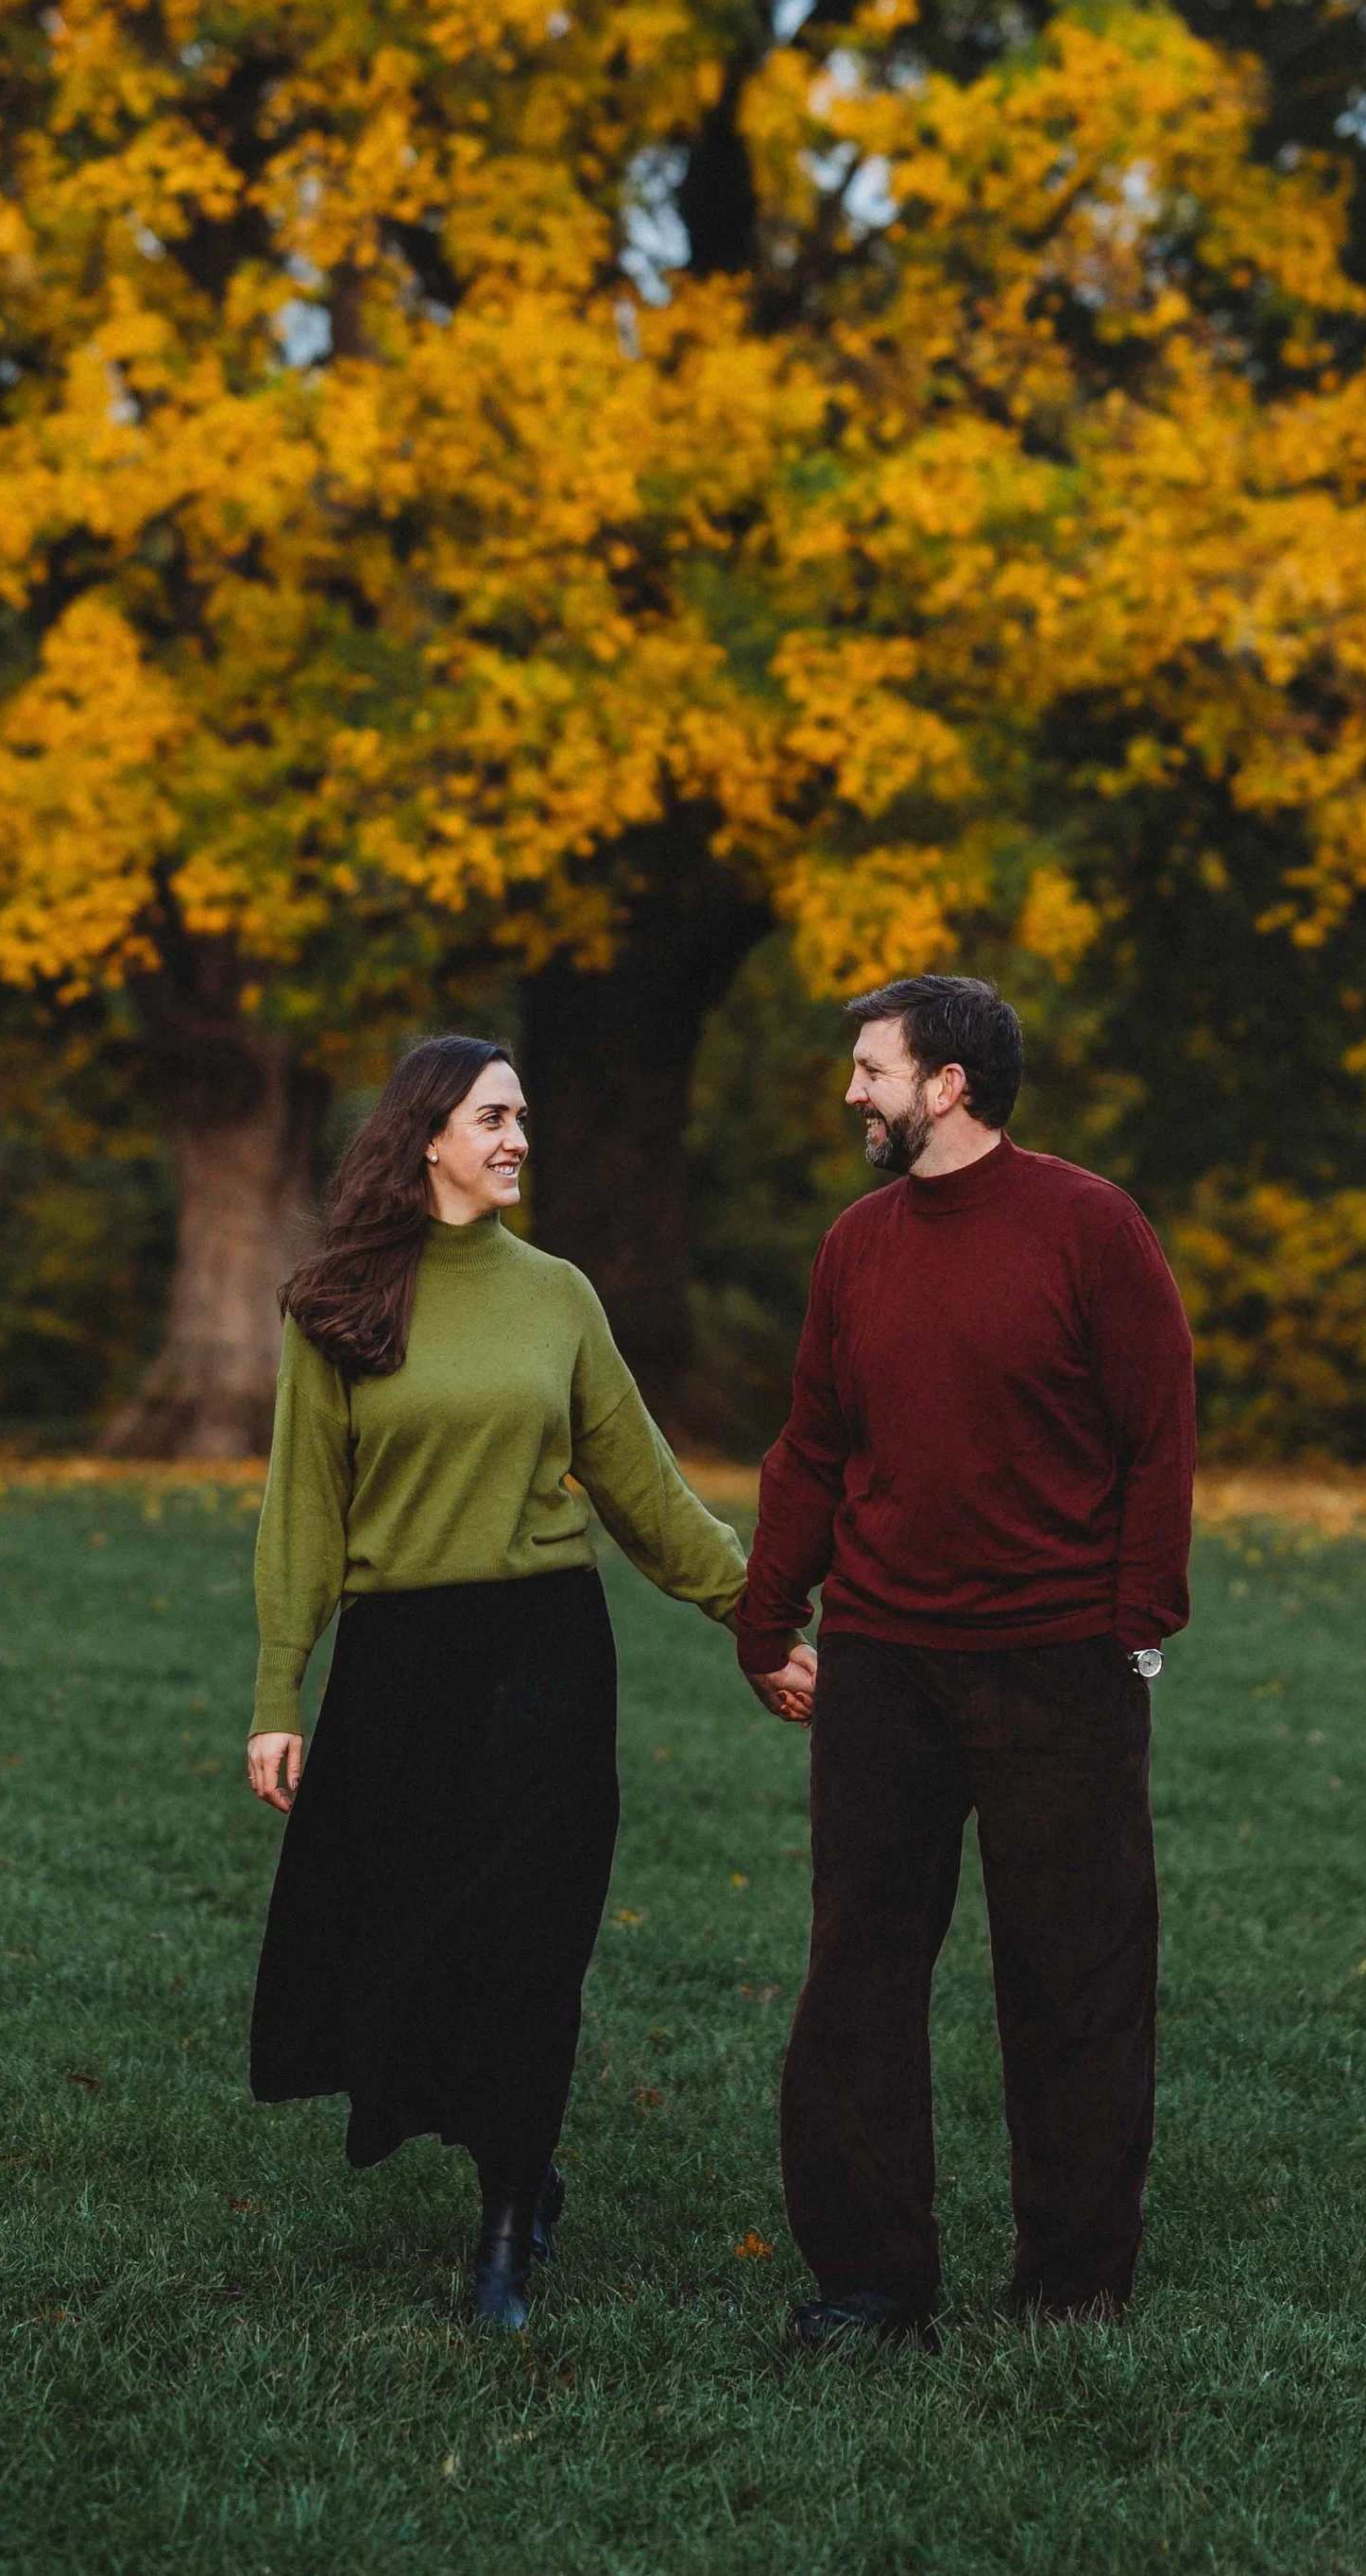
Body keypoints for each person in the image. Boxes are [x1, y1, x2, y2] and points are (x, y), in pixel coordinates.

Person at [247, 1032, 817, 2330]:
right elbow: (302, 1513)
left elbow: (643, 1486)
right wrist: (281, 1689)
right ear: (427, 1134)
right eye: (494, 1116)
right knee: (413, 1936)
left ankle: (511, 2211)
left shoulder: (558, 1295)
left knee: (529, 1940)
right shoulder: (336, 1303)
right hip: (399, 1665)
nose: (517, 1139)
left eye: (523, 1118)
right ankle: (498, 2150)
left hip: (545, 1659)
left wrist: (757, 1618)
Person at [735, 973, 1196, 2351]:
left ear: (947, 1084)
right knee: (859, 1970)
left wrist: (1135, 1617)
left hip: (1059, 1662)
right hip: (882, 1658)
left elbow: (1157, 1422)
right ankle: (874, 2284)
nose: (851, 1090)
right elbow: (814, 1440)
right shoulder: (857, 1244)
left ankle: (1072, 2284)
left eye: (871, 1068)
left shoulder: (1091, 1225)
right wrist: (769, 1616)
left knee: (1075, 1975)